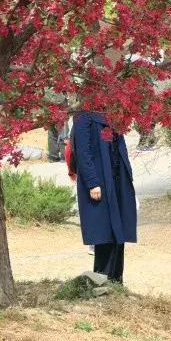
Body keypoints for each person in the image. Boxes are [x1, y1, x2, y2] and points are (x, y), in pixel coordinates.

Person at [67, 110, 137, 283]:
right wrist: (92, 182)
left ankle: (116, 280)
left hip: (116, 179)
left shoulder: (110, 114)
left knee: (118, 232)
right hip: (99, 180)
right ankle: (101, 279)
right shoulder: (83, 117)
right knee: (104, 232)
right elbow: (82, 152)